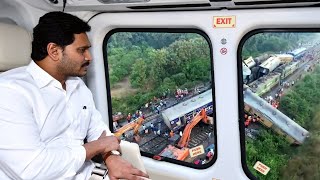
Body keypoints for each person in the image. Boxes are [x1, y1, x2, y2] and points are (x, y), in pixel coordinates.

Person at [0, 12, 148, 180]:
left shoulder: (77, 85)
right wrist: (97, 147)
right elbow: (32, 170)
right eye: (82, 50)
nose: (89, 57)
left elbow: (97, 130)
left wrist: (111, 157)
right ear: (54, 51)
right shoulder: (9, 92)